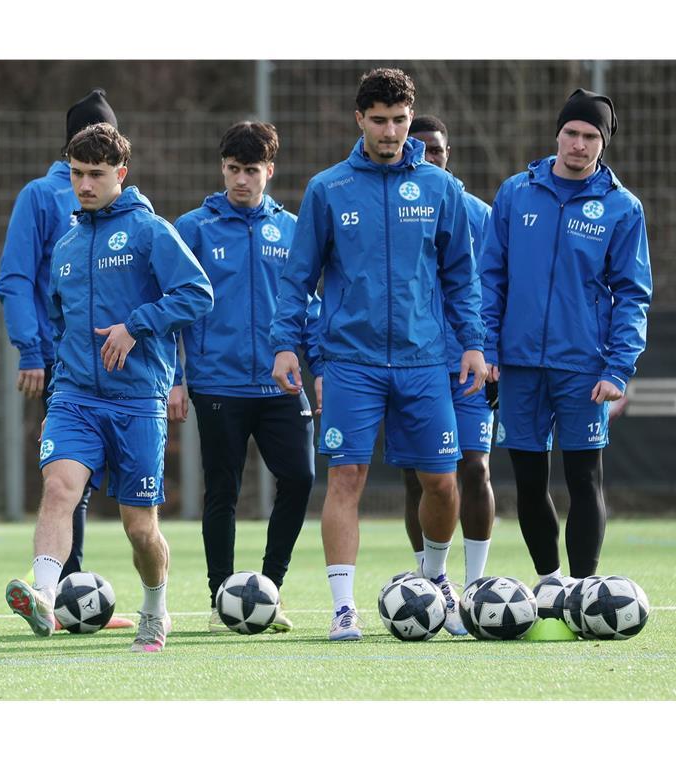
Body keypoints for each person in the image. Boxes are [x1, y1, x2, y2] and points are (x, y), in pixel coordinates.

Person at [269, 68, 487, 641]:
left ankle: (436, 581)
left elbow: (463, 278)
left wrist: (472, 344)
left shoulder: (443, 190)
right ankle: (344, 607)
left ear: (409, 119)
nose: (390, 131)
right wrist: (286, 345)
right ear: (359, 119)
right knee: (345, 477)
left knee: (442, 482)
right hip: (350, 362)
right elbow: (297, 279)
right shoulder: (328, 189)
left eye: (399, 120)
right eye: (379, 120)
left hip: (425, 361)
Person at [3, 123, 214, 653]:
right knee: (58, 488)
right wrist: (56, 386)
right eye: (76, 174)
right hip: (75, 397)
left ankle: (155, 608)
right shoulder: (68, 244)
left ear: (121, 174)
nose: (85, 185)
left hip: (137, 400)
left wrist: (135, 324)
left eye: (96, 175)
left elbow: (198, 294)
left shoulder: (150, 231)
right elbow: (58, 322)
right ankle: (44, 597)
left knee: (139, 527)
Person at [481, 88, 652, 582]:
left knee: (584, 478)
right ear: (557, 134)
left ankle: (582, 587)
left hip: (584, 366)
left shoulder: (623, 208)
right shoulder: (515, 193)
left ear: (603, 144)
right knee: (530, 482)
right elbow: (490, 279)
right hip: (517, 366)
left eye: (590, 136)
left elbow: (633, 295)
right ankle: (551, 584)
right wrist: (488, 348)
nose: (578, 144)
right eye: (572, 133)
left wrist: (618, 367)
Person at [0, 88, 134, 630]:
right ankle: (65, 599)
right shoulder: (42, 196)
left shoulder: (128, 207)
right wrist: (31, 351)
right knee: (66, 477)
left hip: (116, 361)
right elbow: (15, 278)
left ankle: (68, 597)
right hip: (64, 361)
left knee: (83, 480)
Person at [171, 121, 315, 633]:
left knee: (300, 478)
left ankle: (269, 591)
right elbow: (172, 306)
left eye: (251, 170)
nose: (241, 180)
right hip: (216, 383)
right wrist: (175, 377)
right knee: (222, 492)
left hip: (280, 384)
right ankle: (221, 598)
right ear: (222, 169)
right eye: (233, 169)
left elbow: (308, 304)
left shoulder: (293, 228)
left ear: (268, 172)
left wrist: (315, 359)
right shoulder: (193, 228)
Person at [397, 115, 495, 591]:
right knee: (420, 477)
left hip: (468, 363)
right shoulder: (392, 208)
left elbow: (498, 286)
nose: (427, 157)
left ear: (447, 153)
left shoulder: (479, 214)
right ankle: (428, 580)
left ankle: (475, 583)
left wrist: (488, 350)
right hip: (414, 362)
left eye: (435, 149)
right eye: (419, 149)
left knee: (474, 467)